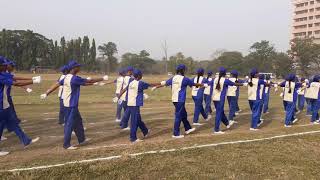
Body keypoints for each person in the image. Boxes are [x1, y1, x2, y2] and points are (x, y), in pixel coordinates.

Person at [40, 60, 109, 150]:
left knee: (78, 121)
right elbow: (88, 81)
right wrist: (102, 78)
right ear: (74, 68)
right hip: (71, 105)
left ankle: (82, 139)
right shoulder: (74, 78)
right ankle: (66, 144)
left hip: (68, 104)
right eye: (78, 67)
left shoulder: (66, 77)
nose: (79, 68)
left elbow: (58, 84)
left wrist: (47, 93)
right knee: (70, 124)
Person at [0, 56, 40, 150]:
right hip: (0, 104)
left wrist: (32, 78)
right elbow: (16, 83)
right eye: (4, 65)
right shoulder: (1, 76)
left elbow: (15, 78)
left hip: (4, 104)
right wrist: (33, 81)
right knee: (1, 125)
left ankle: (26, 141)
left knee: (13, 122)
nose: (6, 67)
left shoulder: (3, 74)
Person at [154, 64, 204, 138]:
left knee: (184, 114)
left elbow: (165, 83)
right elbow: (193, 84)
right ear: (183, 70)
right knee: (178, 116)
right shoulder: (185, 79)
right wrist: (201, 84)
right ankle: (176, 133)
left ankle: (188, 128)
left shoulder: (173, 78)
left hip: (174, 99)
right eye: (184, 70)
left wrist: (156, 87)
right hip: (180, 99)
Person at [118, 69, 159, 142]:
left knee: (138, 119)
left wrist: (119, 96)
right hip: (135, 104)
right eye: (141, 75)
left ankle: (145, 131)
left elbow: (124, 89)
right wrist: (161, 83)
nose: (142, 76)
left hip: (129, 103)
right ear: (139, 76)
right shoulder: (140, 83)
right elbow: (150, 85)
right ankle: (133, 138)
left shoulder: (131, 82)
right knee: (134, 121)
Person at [212, 67, 243, 134]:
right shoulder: (225, 80)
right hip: (220, 99)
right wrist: (244, 84)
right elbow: (235, 84)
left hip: (214, 98)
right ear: (225, 73)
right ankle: (216, 129)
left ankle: (227, 123)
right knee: (218, 114)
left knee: (221, 112)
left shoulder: (215, 79)